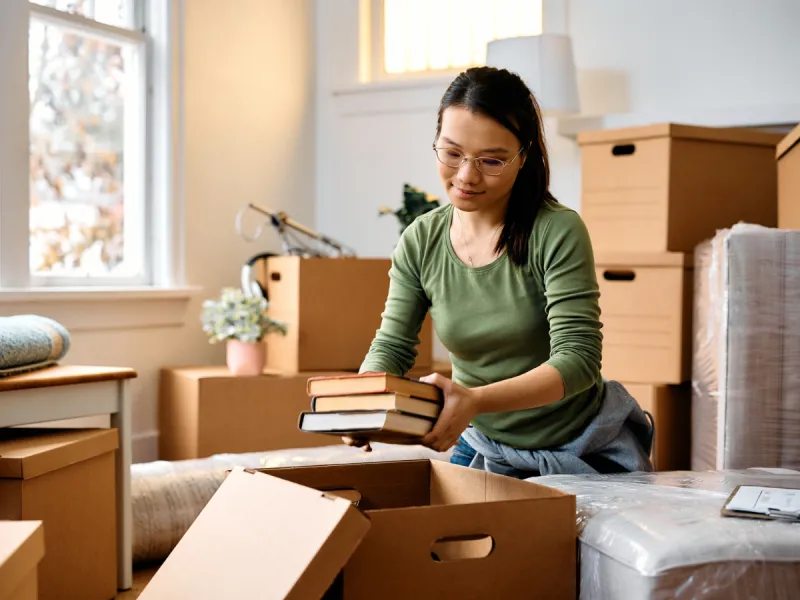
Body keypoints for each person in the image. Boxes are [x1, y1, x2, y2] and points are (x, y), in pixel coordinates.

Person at [346, 66, 654, 478]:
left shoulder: (557, 230)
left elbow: (578, 358)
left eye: (491, 160)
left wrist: (475, 400)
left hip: (580, 446)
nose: (466, 175)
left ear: (523, 157)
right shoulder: (421, 239)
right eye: (451, 153)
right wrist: (360, 402)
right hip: (484, 445)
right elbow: (393, 345)